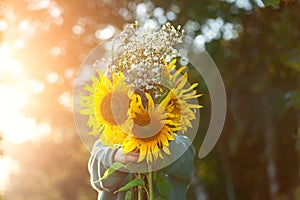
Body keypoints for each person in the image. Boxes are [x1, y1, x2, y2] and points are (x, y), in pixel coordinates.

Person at [88, 135, 195, 200]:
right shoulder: (105, 144)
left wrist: (158, 145)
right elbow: (98, 176)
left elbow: (186, 164)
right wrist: (116, 156)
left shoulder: (178, 143)